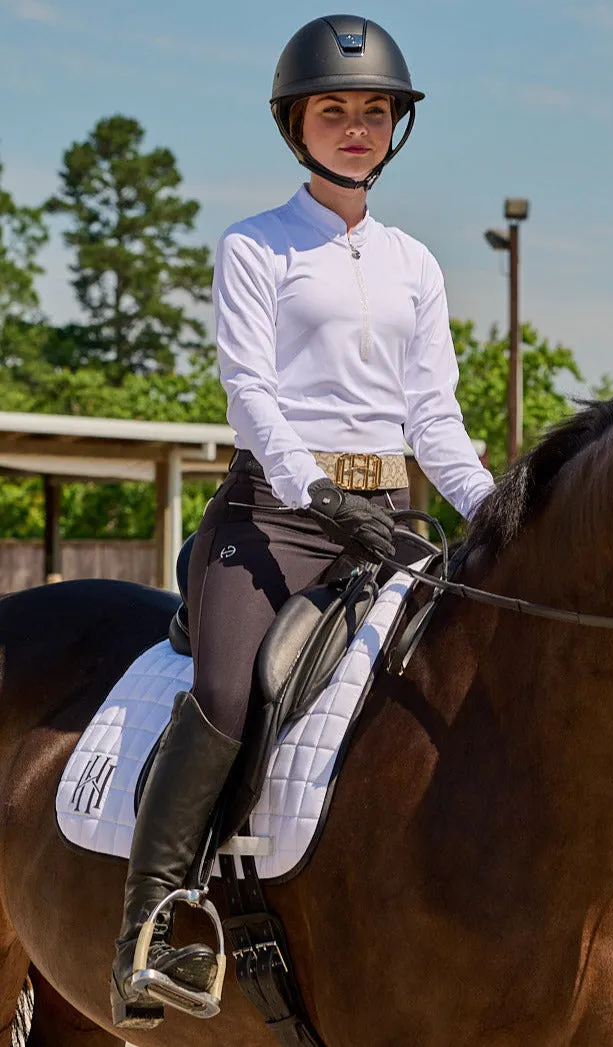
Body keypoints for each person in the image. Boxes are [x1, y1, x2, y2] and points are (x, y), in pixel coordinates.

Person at [110, 15, 495, 1028]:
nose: (357, 127)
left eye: (375, 112)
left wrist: (507, 514)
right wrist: (315, 493)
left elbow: (436, 423)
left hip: (391, 515)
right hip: (274, 516)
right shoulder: (255, 245)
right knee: (232, 694)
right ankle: (149, 926)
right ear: (298, 124)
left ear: (395, 128)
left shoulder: (415, 264)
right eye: (337, 110)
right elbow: (250, 391)